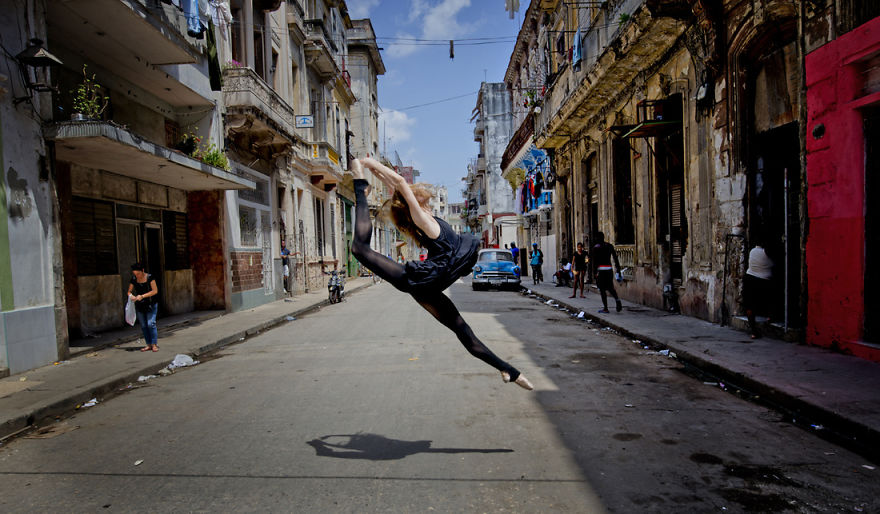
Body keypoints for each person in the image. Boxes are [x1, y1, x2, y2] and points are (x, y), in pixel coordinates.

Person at [350, 157, 533, 390]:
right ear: (411, 202)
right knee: (462, 330)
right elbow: (398, 182)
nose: (417, 191)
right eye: (412, 193)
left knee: (359, 249)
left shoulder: (425, 217)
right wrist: (367, 164)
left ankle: (360, 188)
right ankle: (509, 370)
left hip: (424, 281)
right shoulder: (421, 217)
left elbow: (397, 183)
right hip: (430, 280)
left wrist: (368, 165)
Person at [128, 262, 159, 352]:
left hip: (151, 304)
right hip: (140, 305)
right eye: (135, 274)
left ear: (143, 270)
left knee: (150, 323)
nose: (137, 275)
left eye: (138, 273)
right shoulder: (134, 279)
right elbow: (129, 291)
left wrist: (142, 296)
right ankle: (148, 344)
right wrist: (131, 296)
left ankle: (154, 344)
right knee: (143, 325)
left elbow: (155, 291)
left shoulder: (150, 277)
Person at [744, 240, 773, 339]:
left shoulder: (752, 251)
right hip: (763, 281)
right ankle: (770, 316)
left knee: (750, 306)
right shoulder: (766, 254)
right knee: (769, 299)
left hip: (750, 278)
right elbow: (772, 264)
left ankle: (753, 331)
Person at [590, 232, 622, 313]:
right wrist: (618, 270)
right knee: (610, 287)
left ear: (597, 238)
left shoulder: (596, 248)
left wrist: (594, 272)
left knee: (602, 289)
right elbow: (615, 258)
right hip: (609, 269)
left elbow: (595, 262)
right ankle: (617, 300)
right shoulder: (609, 246)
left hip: (601, 270)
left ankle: (605, 308)